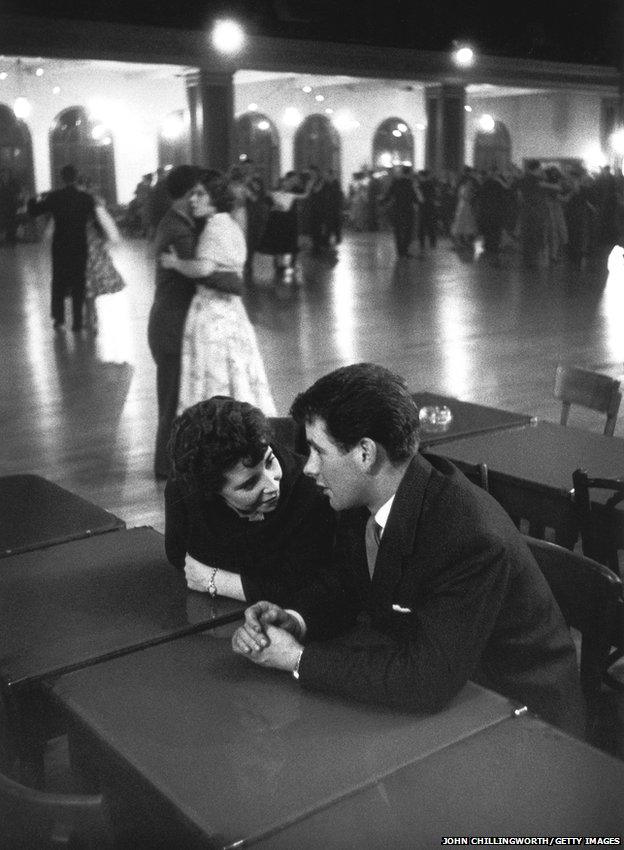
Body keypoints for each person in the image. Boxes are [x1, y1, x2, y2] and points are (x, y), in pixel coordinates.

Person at [232, 363, 585, 737]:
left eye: (319, 451)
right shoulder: (366, 497)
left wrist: (297, 658)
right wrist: (296, 619)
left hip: (525, 720)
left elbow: (426, 680)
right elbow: (350, 586)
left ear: (366, 454)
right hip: (456, 690)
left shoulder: (469, 538)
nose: (308, 468)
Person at [165, 396, 335, 606]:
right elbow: (179, 556)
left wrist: (218, 581)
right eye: (249, 484)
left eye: (270, 462)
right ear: (212, 492)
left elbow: (315, 586)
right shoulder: (183, 492)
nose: (273, 485)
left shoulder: (313, 492)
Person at [160, 173, 276, 416]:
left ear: (215, 198)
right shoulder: (230, 225)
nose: (194, 199)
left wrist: (175, 263)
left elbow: (203, 268)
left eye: (201, 194)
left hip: (213, 314)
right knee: (237, 374)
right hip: (231, 313)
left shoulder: (215, 228)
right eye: (193, 193)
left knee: (215, 377)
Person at [148, 164, 211, 480]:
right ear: (190, 193)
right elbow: (203, 271)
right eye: (200, 191)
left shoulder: (179, 223)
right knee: (172, 401)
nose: (204, 197)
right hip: (172, 325)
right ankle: (165, 468)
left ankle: (172, 464)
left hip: (173, 322)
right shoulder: (177, 229)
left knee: (176, 399)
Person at [28, 164, 95, 331]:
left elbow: (34, 211)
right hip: (80, 245)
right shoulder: (86, 198)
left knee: (59, 282)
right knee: (79, 283)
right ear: (76, 176)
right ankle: (78, 322)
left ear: (61, 178)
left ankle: (59, 320)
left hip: (61, 245)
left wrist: (32, 198)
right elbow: (94, 220)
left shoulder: (54, 197)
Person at [383, 165, 418, 258]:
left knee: (397, 231)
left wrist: (383, 202)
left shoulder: (395, 183)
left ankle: (399, 251)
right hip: (408, 210)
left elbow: (389, 195)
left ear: (402, 173)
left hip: (397, 209)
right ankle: (405, 250)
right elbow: (415, 198)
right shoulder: (411, 183)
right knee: (408, 231)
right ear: (410, 173)